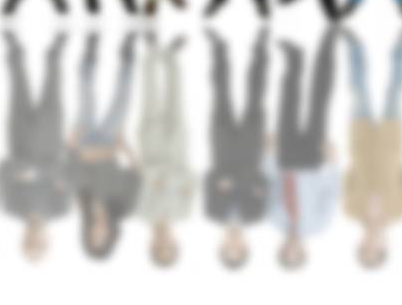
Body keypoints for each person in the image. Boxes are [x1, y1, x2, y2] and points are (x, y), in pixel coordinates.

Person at [267, 31, 341, 271]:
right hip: (313, 160)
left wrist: (268, 154)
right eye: (296, 254)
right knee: (319, 100)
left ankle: (294, 58)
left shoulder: (274, 219)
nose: (291, 249)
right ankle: (328, 44)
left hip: (286, 158)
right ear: (303, 252)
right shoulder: (319, 224)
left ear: (280, 249)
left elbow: (271, 183)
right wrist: (332, 161)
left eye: (286, 253)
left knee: (287, 104)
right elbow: (332, 191)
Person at [0, 31, 71, 264]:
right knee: (54, 87)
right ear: (47, 241)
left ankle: (14, 48)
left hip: (19, 137)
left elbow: (3, 170)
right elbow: (65, 172)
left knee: (17, 85)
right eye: (39, 245)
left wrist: (33, 171)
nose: (34, 239)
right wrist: (31, 172)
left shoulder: (11, 208)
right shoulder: (61, 209)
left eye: (29, 244)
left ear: (22, 239)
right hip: (51, 138)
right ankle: (54, 53)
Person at [67, 32, 141, 260]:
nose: (99, 232)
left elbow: (72, 162)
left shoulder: (80, 201)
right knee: (123, 100)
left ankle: (90, 53)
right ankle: (127, 55)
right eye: (103, 238)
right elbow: (136, 175)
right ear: (111, 236)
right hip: (111, 144)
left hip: (85, 140)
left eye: (93, 236)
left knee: (85, 96)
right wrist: (125, 148)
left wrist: (71, 142)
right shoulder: (125, 208)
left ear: (86, 233)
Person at [343, 27, 402, 270]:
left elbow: (347, 177)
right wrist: (394, 159)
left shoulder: (350, 210)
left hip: (361, 140)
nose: (370, 246)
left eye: (365, 250)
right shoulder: (400, 211)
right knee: (395, 90)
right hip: (391, 140)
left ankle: (354, 47)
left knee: (358, 90)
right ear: (384, 248)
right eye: (375, 252)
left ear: (360, 244)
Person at [204, 29, 269, 271]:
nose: (234, 244)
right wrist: (233, 180)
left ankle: (218, 48)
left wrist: (238, 181)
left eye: (228, 249)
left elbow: (209, 178)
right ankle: (260, 47)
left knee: (220, 94)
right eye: (238, 249)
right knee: (256, 95)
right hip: (252, 147)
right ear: (246, 246)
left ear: (221, 245)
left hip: (221, 147)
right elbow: (263, 180)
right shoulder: (257, 214)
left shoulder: (212, 212)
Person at [135, 32, 193, 268]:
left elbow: (142, 177)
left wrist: (162, 178)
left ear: (151, 245)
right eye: (169, 247)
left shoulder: (141, 212)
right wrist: (163, 178)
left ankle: (151, 51)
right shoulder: (184, 213)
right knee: (176, 97)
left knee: (150, 96)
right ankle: (171, 56)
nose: (164, 243)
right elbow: (191, 179)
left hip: (150, 146)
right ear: (175, 243)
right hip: (179, 148)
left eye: (159, 249)